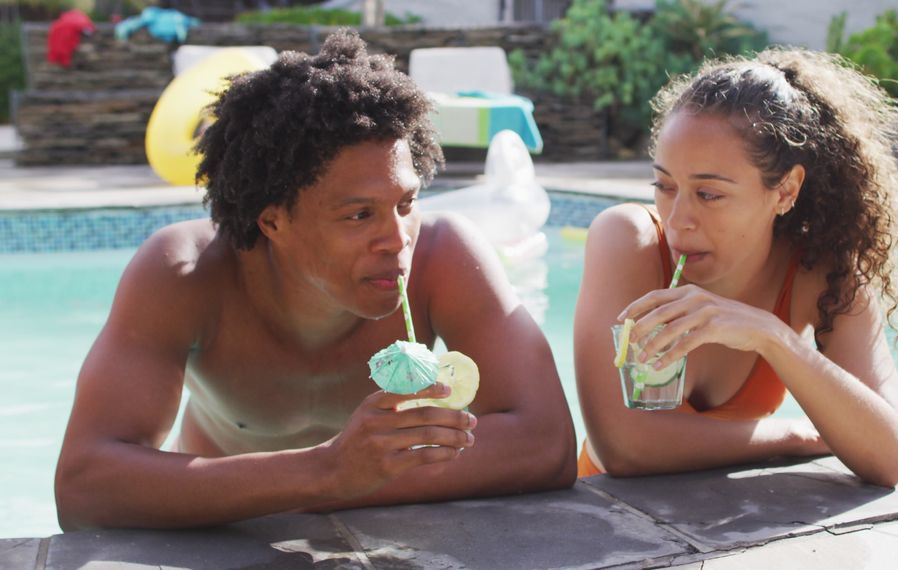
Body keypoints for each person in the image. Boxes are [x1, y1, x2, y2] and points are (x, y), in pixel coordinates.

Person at [54, 30, 577, 531]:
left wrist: (339, 481)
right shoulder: (186, 273)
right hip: (224, 541)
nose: (397, 240)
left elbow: (546, 443)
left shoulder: (444, 256)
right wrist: (328, 472)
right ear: (274, 222)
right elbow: (85, 486)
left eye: (406, 203)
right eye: (358, 215)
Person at [574, 47, 898, 486]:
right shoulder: (630, 239)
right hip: (600, 537)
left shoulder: (819, 272)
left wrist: (771, 336)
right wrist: (795, 436)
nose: (678, 218)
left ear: (785, 190)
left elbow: (888, 455)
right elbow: (623, 448)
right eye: (664, 185)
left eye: (709, 194)